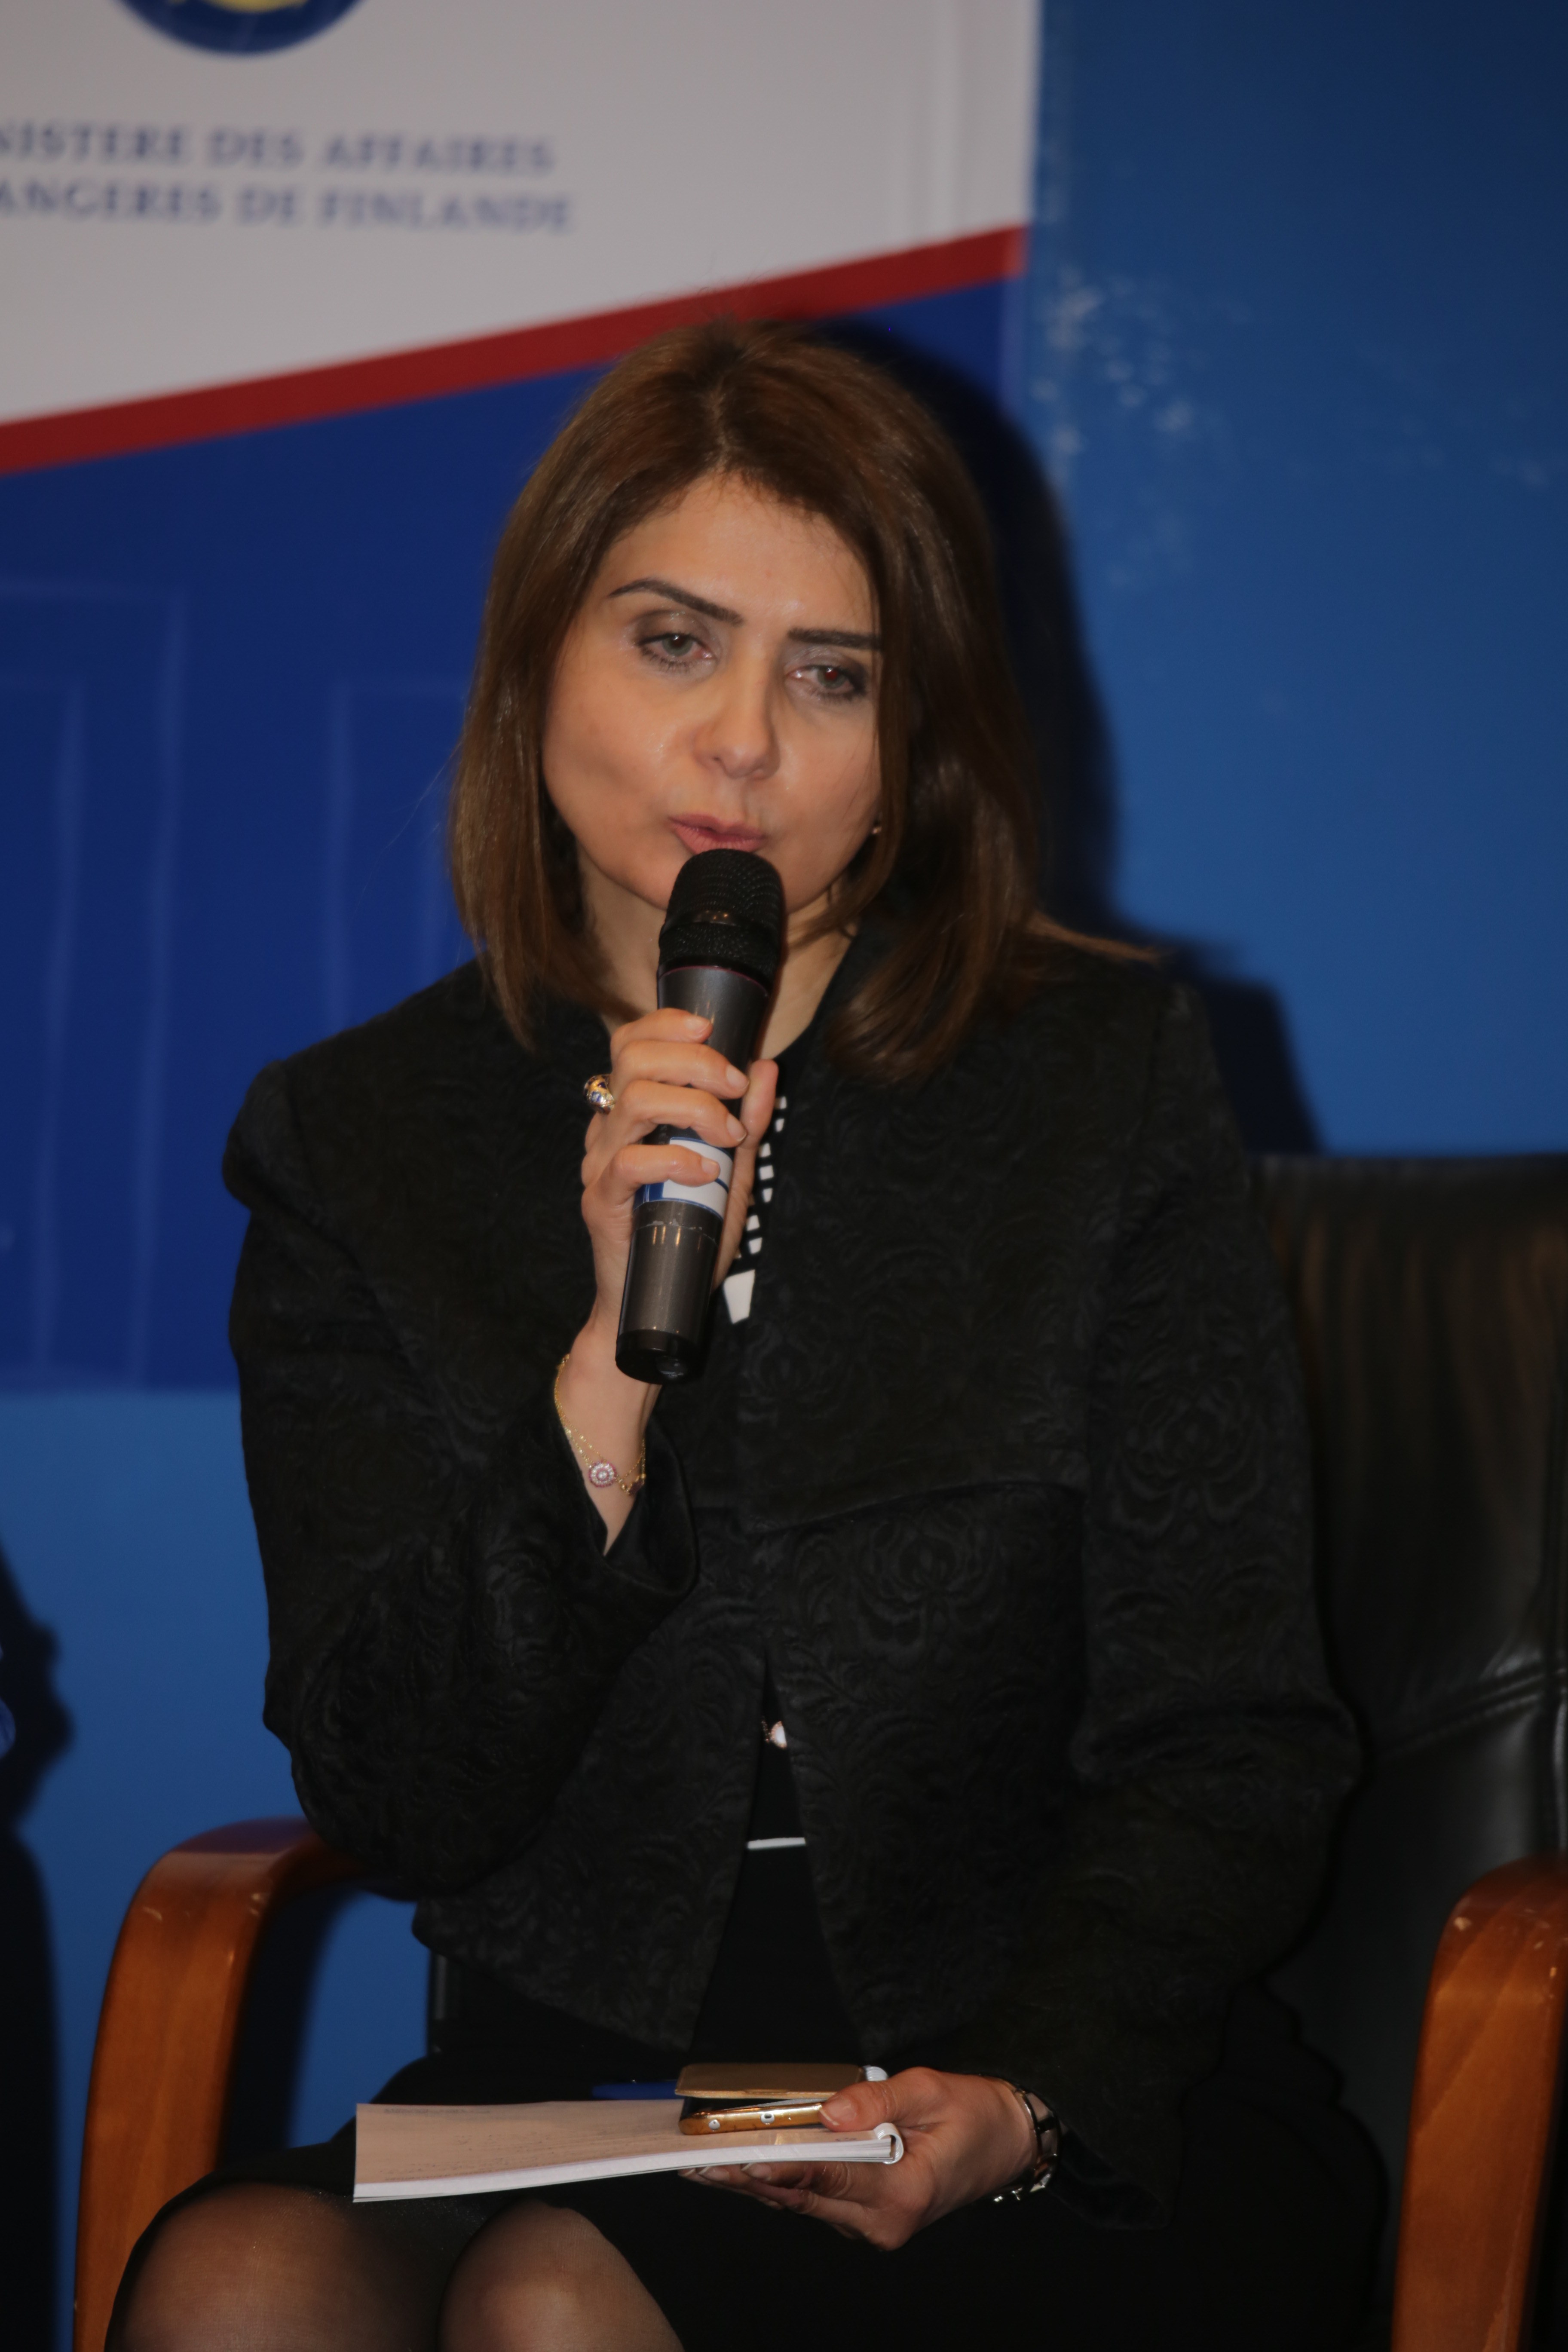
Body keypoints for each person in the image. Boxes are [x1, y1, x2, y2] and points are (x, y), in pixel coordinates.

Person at [113, 320, 1377, 2352]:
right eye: (674, 642)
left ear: (913, 749)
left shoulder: (1095, 1084)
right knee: (239, 2281)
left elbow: (1231, 1737)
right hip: (585, 2090)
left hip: (1039, 2076)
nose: (743, 746)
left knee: (554, 2304)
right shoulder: (359, 1142)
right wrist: (604, 1378)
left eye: (834, 676)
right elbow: (398, 1793)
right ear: (534, 668)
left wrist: (1029, 2092)